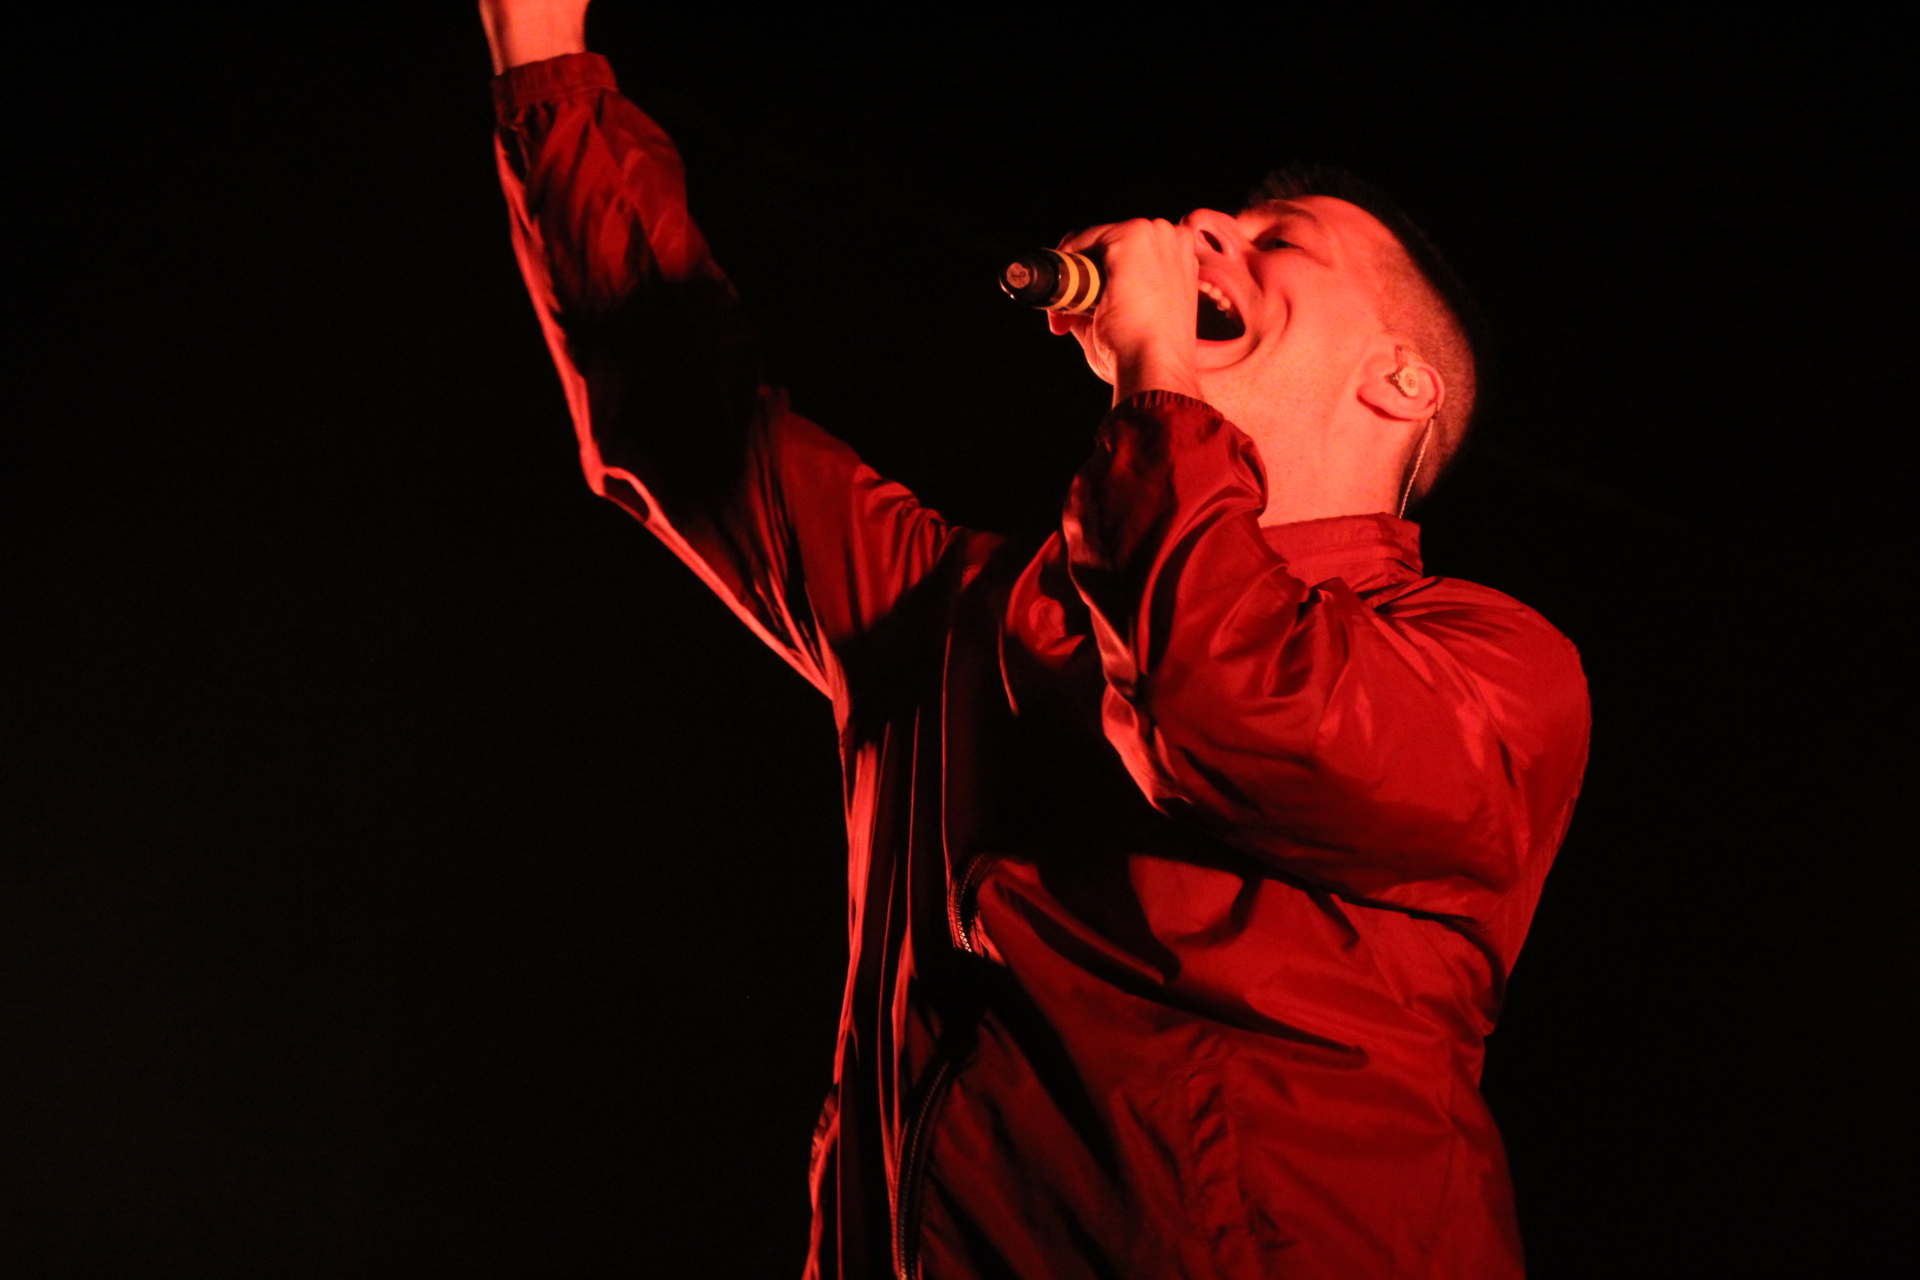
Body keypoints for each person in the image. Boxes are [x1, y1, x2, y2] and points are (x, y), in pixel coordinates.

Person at [479, 3, 1591, 1276]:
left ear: (1400, 381)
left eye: (1278, 241)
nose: (1203, 224)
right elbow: (687, 419)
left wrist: (1159, 373)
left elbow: (1234, 699)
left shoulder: (1493, 668)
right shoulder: (966, 610)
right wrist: (541, 59)